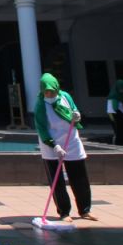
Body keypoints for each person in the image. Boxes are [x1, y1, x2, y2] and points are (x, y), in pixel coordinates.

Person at [34, 73, 95, 221]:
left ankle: (85, 209)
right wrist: (54, 146)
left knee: (79, 177)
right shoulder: (41, 105)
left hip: (71, 141)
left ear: (56, 88)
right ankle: (64, 211)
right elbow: (41, 128)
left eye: (52, 91)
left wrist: (76, 115)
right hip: (51, 145)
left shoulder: (65, 97)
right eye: (46, 91)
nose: (49, 94)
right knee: (57, 181)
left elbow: (74, 109)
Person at [106, 79, 123, 146]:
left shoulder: (122, 95)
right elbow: (115, 109)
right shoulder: (114, 96)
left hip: (122, 115)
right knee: (119, 131)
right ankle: (119, 146)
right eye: (121, 88)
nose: (122, 90)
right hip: (114, 115)